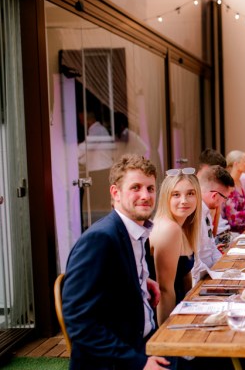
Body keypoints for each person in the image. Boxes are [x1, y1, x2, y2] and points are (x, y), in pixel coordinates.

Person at [62, 154, 169, 370]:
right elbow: (79, 322)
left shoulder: (137, 231)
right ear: (115, 193)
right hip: (120, 360)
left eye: (150, 188)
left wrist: (140, 281)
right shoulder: (100, 239)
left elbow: (114, 278)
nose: (145, 195)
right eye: (136, 187)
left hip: (145, 342)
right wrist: (139, 363)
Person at [149, 167, 200, 325]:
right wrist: (166, 340)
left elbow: (185, 279)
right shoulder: (169, 229)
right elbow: (164, 291)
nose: (184, 200)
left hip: (180, 309)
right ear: (166, 198)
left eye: (190, 193)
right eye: (176, 195)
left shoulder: (182, 226)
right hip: (161, 318)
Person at [191, 165, 235, 285]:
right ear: (215, 196)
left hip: (211, 272)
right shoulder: (194, 214)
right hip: (200, 280)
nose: (224, 202)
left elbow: (211, 247)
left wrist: (226, 268)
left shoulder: (205, 210)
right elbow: (194, 262)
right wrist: (216, 275)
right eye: (224, 198)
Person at [223, 150, 245, 233]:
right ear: (236, 164)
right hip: (233, 232)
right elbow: (233, 218)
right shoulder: (229, 184)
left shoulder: (239, 182)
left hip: (244, 228)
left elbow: (244, 208)